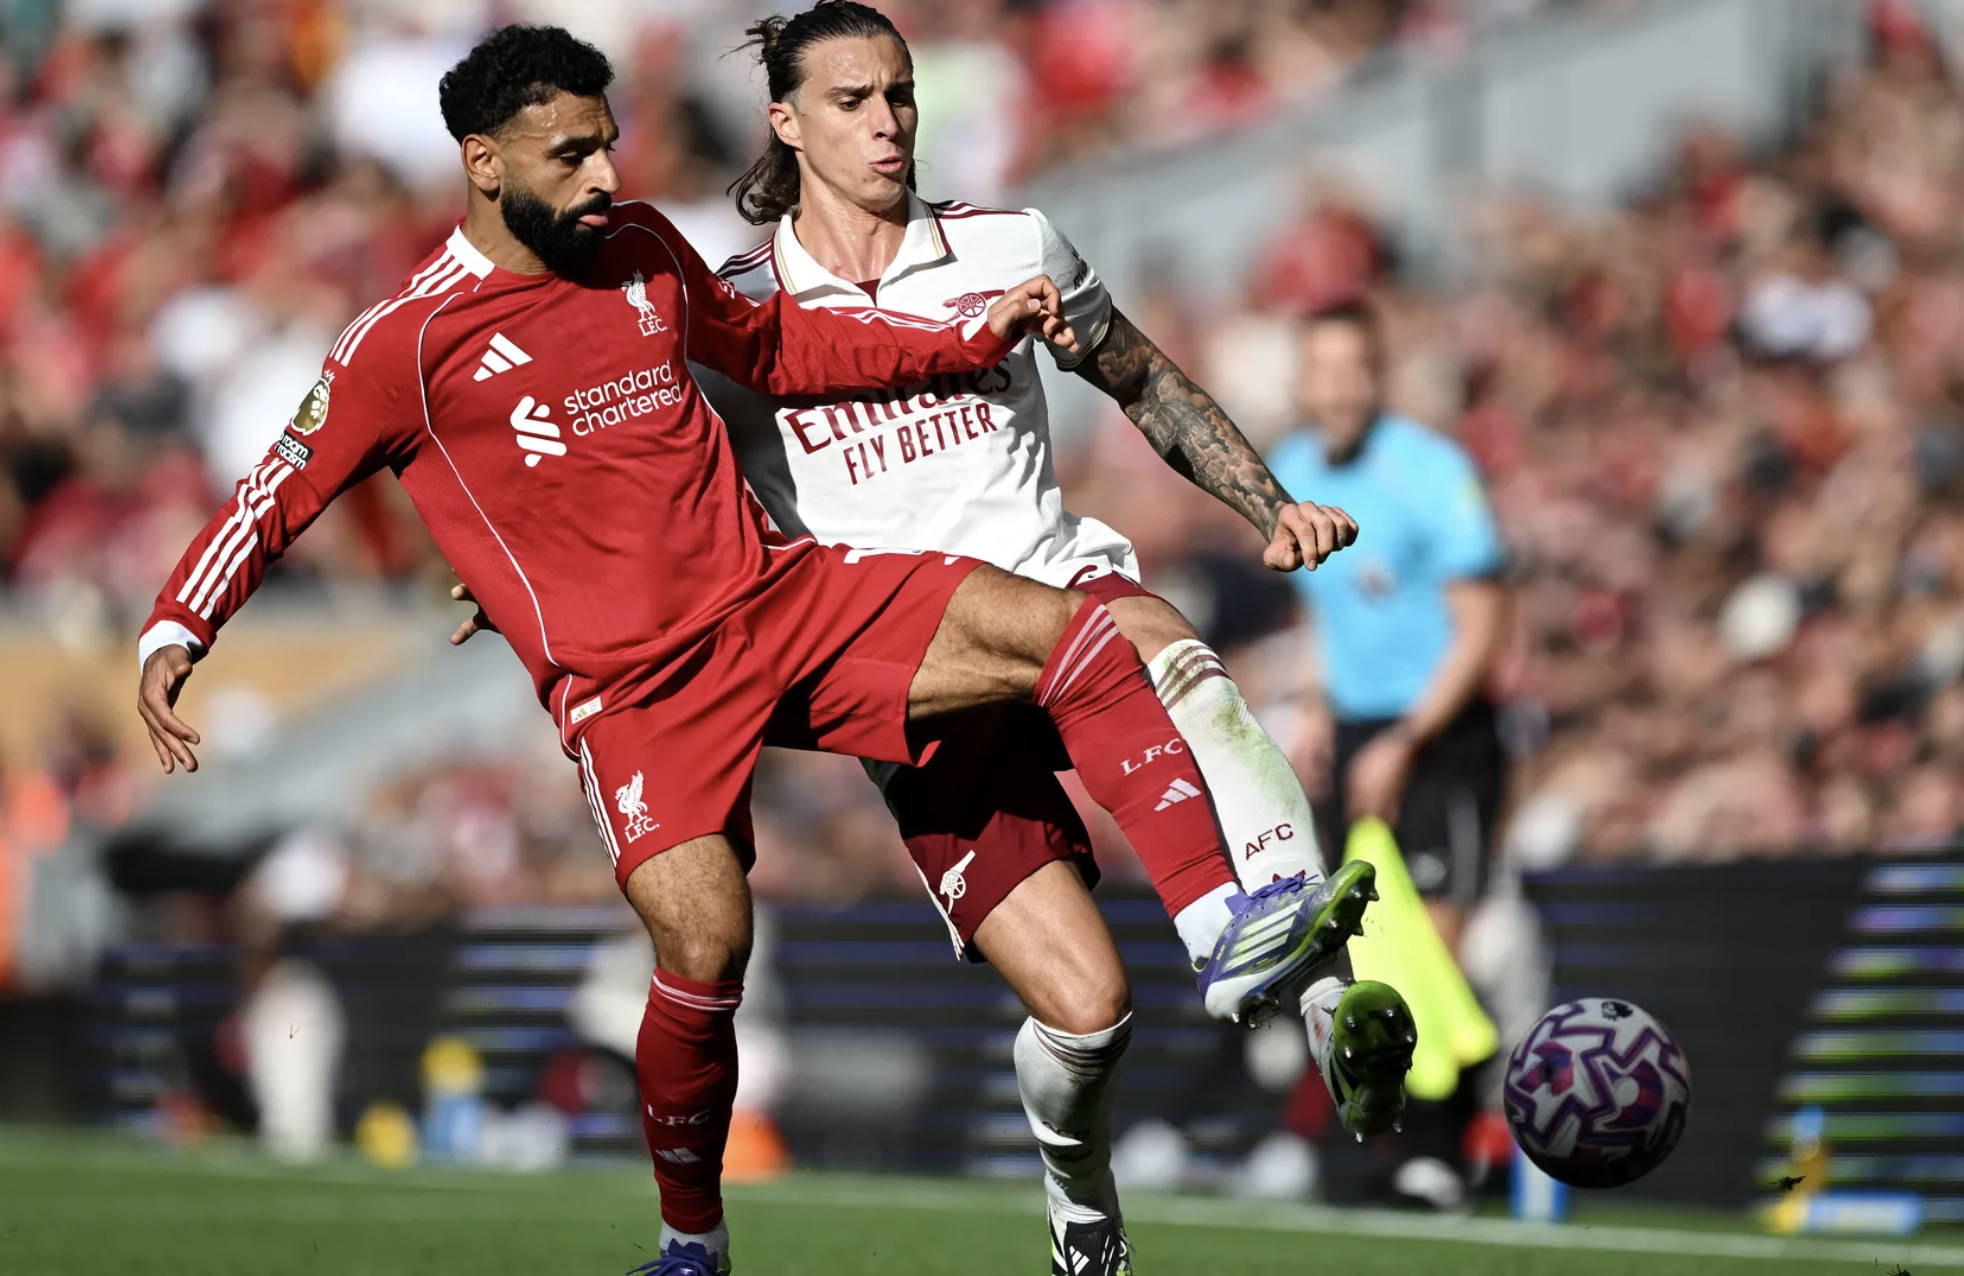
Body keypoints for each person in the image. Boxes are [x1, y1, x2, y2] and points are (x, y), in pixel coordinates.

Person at [135, 27, 1370, 1276]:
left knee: (1090, 631)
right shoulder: (400, 343)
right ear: (483, 163)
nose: (605, 175)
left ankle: (1233, 929)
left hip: (779, 601)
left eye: (608, 143)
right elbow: (275, 492)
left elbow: (778, 350)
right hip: (632, 695)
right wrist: (179, 626)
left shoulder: (645, 255)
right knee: (709, 951)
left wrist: (956, 347)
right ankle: (693, 1240)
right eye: (570, 155)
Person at [696, 6, 1416, 1269]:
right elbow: (645, 471)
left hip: (1049, 588)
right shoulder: (736, 314)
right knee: (1086, 1017)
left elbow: (1137, 375)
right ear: (785, 122)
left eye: (902, 94)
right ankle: (1081, 1205)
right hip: (908, 673)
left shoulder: (1007, 246)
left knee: (1166, 651)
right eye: (855, 99)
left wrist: (1270, 503)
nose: (888, 122)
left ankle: (1313, 998)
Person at [1267, 297, 1511, 1209]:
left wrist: (1407, 742)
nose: (1337, 387)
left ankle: (1448, 1153)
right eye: (1321, 369)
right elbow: (1318, 612)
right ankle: (1382, 1151)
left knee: (1433, 949)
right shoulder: (1290, 473)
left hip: (1440, 737)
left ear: (1379, 374)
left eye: (1353, 369)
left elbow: (1482, 624)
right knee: (1354, 955)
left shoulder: (1431, 472)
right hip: (1357, 731)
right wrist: (1319, 712)